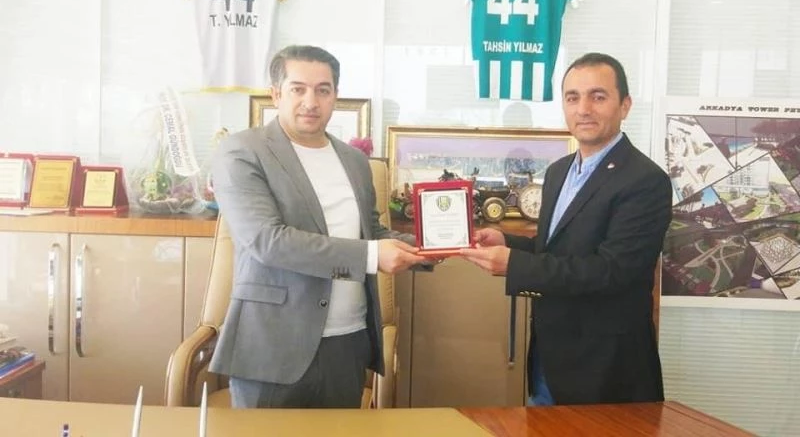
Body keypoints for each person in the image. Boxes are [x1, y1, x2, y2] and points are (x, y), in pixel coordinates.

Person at [209, 45, 427, 409]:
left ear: (335, 96)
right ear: (276, 94)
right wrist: (372, 256)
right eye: (298, 89)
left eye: (323, 90)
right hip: (273, 344)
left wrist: (434, 246)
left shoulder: (355, 161)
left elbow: (370, 233)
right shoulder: (242, 151)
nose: (311, 102)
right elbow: (268, 241)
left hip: (348, 342)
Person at [460, 52, 672, 405]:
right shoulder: (559, 171)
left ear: (625, 105)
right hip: (548, 357)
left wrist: (515, 265)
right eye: (573, 97)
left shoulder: (645, 180)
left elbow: (611, 271)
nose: (583, 109)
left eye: (598, 96)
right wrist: (506, 241)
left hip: (606, 369)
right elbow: (557, 249)